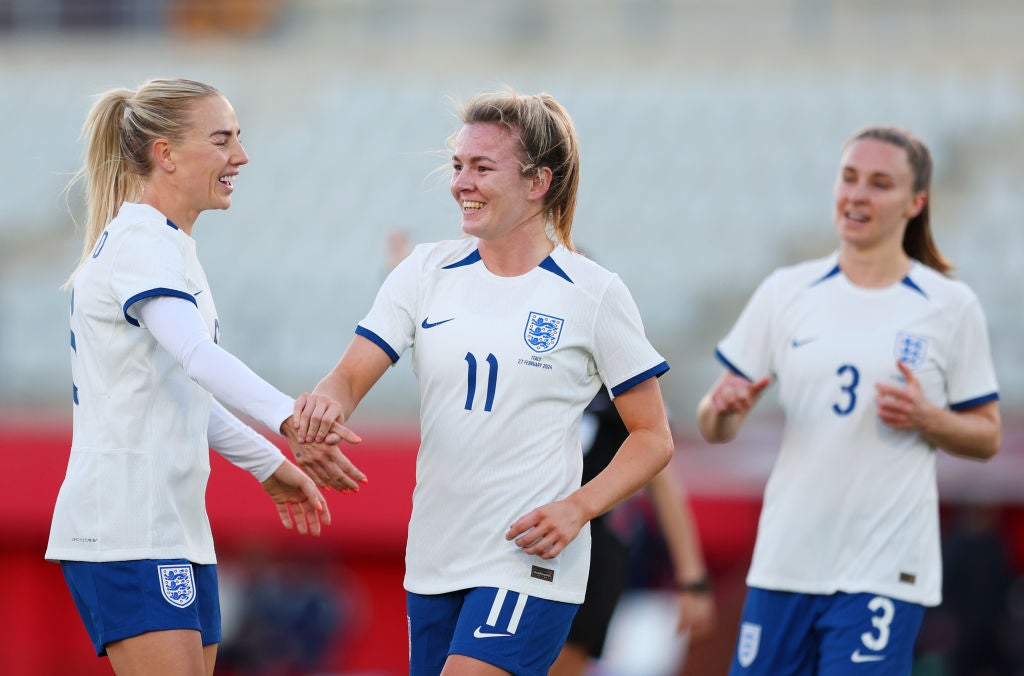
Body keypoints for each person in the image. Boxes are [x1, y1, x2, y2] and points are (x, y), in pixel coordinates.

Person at [292, 88, 675, 675]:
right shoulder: (424, 271)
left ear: (538, 181)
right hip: (436, 556)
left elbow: (652, 435)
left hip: (530, 561)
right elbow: (347, 376)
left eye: (481, 167)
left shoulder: (594, 292)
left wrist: (577, 507)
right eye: (457, 166)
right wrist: (322, 410)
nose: (460, 183)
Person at [45, 77, 365, 676]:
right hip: (126, 524)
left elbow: (182, 391)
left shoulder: (168, 245)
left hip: (173, 524)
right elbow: (197, 357)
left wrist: (269, 463)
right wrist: (289, 417)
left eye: (238, 139)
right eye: (221, 140)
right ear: (165, 153)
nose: (239, 157)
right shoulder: (142, 240)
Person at [697, 126, 1001, 675]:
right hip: (786, 562)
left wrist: (929, 419)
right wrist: (724, 411)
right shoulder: (786, 290)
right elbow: (712, 424)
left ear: (916, 202)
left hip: (884, 568)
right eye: (849, 177)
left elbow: (987, 436)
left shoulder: (950, 305)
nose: (858, 195)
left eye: (880, 183)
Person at [549, 389, 716, 676]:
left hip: (585, 555)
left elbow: (662, 481)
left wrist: (691, 579)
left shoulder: (627, 382)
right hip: (513, 541)